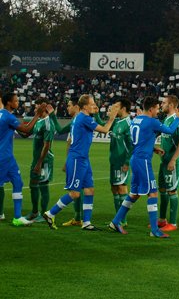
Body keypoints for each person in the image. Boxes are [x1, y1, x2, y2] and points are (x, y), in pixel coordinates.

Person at [108, 96, 179, 238]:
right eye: (156, 108)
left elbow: (140, 140)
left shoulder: (135, 120)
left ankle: (115, 221)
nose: (158, 110)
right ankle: (155, 230)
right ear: (151, 109)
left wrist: (153, 148)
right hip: (143, 161)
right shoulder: (151, 121)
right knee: (153, 193)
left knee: (134, 194)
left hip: (135, 159)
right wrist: (178, 118)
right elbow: (169, 130)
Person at [43, 95, 120, 231]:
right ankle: (50, 213)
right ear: (85, 106)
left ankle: (86, 222)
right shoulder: (84, 118)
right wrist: (112, 117)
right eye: (92, 103)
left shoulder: (81, 117)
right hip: (77, 159)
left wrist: (96, 113)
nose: (94, 105)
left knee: (89, 190)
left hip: (83, 158)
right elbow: (105, 129)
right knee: (75, 193)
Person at [0, 92, 47, 226]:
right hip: (3, 157)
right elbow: (26, 129)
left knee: (18, 183)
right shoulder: (8, 117)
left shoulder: (2, 114)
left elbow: (23, 132)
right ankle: (16, 217)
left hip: (8, 158)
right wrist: (37, 114)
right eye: (15, 101)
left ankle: (17, 217)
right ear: (9, 103)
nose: (18, 103)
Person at [49, 96, 86, 227]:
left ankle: (78, 218)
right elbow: (60, 132)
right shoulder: (76, 120)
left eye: (69, 105)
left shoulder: (78, 120)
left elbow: (70, 141)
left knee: (76, 189)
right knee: (79, 188)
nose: (67, 107)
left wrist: (68, 161)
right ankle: (79, 218)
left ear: (76, 106)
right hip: (77, 159)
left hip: (77, 159)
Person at [157, 95, 179, 232]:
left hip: (172, 162)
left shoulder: (176, 120)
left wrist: (173, 159)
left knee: (172, 191)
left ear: (171, 105)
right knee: (162, 190)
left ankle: (173, 223)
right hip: (164, 161)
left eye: (164, 103)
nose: (161, 105)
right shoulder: (166, 120)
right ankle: (162, 220)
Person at [26, 98, 56, 223]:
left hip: (44, 161)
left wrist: (39, 163)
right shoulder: (39, 121)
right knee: (32, 185)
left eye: (37, 106)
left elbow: (47, 145)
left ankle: (44, 215)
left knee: (43, 186)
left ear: (43, 107)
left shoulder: (48, 123)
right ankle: (34, 212)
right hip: (36, 160)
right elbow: (26, 133)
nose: (35, 108)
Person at [108, 97, 133, 227]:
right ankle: (118, 218)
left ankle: (122, 219)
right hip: (113, 160)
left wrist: (127, 162)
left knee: (122, 188)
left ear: (123, 108)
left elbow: (132, 145)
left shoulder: (129, 123)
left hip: (122, 161)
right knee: (114, 188)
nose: (114, 108)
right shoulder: (117, 121)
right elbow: (103, 125)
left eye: (116, 107)